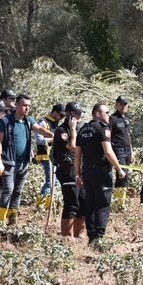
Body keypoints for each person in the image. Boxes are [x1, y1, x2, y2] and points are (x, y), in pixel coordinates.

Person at [0, 94, 54, 224]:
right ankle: (0, 221)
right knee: (8, 190)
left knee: (17, 192)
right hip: (9, 162)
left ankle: (12, 221)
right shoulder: (5, 121)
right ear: (16, 105)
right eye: (24, 105)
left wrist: (55, 135)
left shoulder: (28, 120)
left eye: (29, 106)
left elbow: (40, 130)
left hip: (24, 163)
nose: (27, 108)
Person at [74, 103, 126, 244]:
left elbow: (77, 155)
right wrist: (119, 169)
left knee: (90, 204)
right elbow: (108, 151)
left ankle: (91, 236)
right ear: (97, 114)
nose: (109, 115)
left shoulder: (83, 129)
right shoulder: (102, 128)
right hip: (101, 173)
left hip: (87, 172)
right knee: (102, 204)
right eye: (106, 112)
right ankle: (98, 237)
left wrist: (78, 174)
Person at [52, 102, 86, 238]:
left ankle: (79, 234)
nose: (79, 116)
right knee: (72, 201)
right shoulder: (62, 131)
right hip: (66, 169)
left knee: (84, 200)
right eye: (77, 113)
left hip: (78, 169)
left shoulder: (79, 130)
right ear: (69, 114)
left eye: (80, 113)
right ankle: (67, 236)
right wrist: (72, 129)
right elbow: (73, 146)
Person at [36, 103, 66, 207]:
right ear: (54, 112)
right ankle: (41, 204)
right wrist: (56, 139)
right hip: (45, 155)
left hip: (55, 156)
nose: (62, 118)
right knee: (50, 181)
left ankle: (48, 203)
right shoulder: (42, 122)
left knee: (56, 181)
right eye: (61, 115)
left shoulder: (57, 124)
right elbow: (39, 140)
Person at [109, 95, 132, 208]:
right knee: (121, 176)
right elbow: (107, 136)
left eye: (125, 104)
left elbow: (128, 136)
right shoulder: (112, 119)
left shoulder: (127, 118)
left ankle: (121, 201)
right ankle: (119, 204)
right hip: (118, 151)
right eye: (121, 104)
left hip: (128, 151)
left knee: (125, 175)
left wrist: (131, 152)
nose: (123, 106)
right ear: (116, 105)